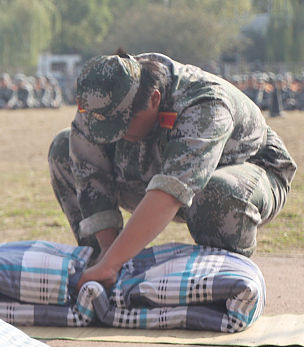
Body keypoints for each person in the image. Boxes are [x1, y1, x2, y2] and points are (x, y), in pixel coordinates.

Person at [48, 51, 296, 292]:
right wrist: (108, 259)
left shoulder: (204, 103)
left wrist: (114, 263)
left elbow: (171, 191)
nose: (117, 135)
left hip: (249, 173)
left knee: (217, 194)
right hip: (157, 169)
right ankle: (100, 273)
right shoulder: (103, 94)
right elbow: (90, 174)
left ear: (154, 99)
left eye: (124, 124)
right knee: (63, 149)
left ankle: (224, 284)